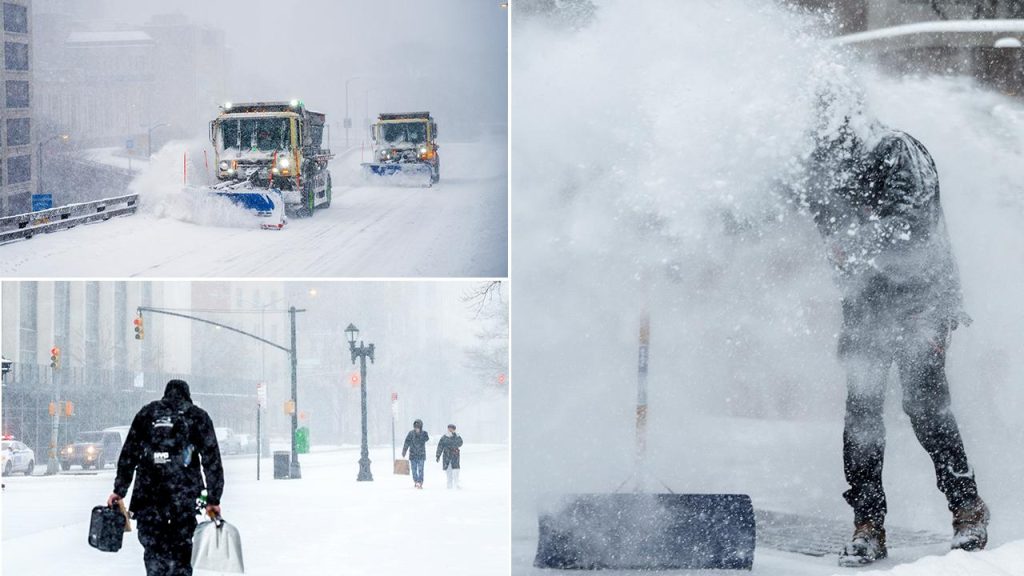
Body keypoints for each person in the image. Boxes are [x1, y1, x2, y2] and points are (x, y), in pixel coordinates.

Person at [801, 86, 989, 567]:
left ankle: (967, 508)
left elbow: (912, 221)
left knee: (925, 405)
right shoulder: (823, 164)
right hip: (864, 305)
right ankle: (868, 525)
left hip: (920, 301)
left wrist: (855, 244)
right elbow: (808, 215)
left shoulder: (896, 149)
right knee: (861, 414)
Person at [107, 379, 224, 576]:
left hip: (149, 499)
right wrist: (213, 499)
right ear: (187, 395)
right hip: (184, 500)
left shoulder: (147, 414)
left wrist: (119, 490)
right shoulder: (197, 417)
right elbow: (212, 460)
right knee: (182, 553)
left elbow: (129, 454)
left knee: (154, 553)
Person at [402, 419, 429, 489]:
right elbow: (406, 442)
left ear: (421, 427)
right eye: (415, 427)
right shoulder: (411, 433)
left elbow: (426, 438)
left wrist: (420, 435)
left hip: (421, 455)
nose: (416, 428)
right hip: (413, 455)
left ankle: (420, 481)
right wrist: (404, 451)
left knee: (421, 469)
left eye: (418, 427)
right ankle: (416, 481)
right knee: (413, 469)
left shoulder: (424, 433)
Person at [436, 424, 464, 489]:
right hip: (446, 456)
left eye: (451, 428)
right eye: (449, 428)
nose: (450, 430)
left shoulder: (457, 436)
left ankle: (456, 484)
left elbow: (460, 443)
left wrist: (455, 437)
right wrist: (438, 455)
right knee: (448, 472)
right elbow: (440, 446)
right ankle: (449, 485)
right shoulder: (444, 437)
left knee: (456, 471)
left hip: (455, 456)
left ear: (454, 429)